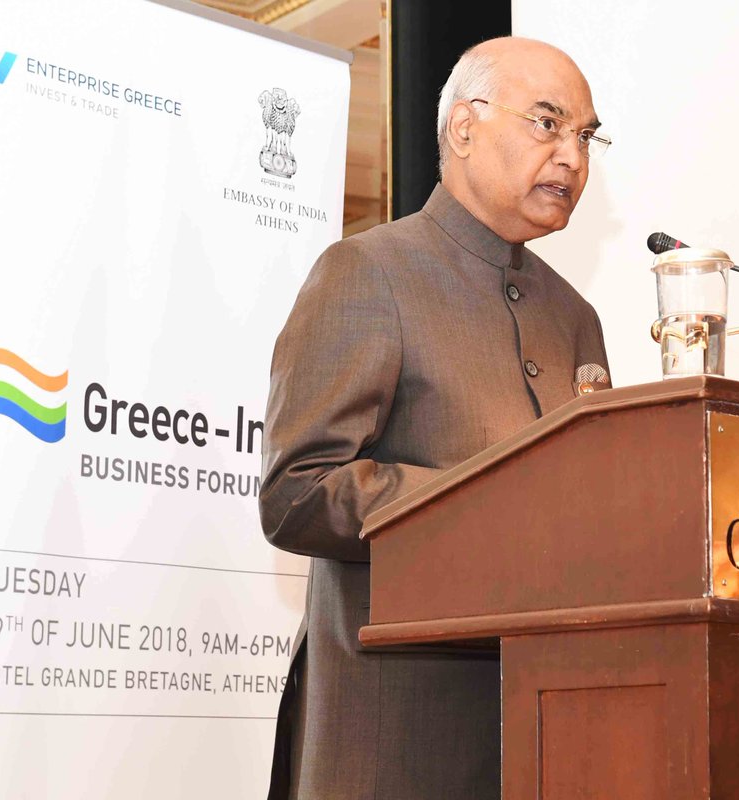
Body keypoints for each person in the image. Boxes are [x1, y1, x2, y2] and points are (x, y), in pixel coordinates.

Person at [259, 36, 611, 799]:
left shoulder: (574, 317)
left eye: (586, 136)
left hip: (547, 740)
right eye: (548, 124)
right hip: (394, 743)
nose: (574, 158)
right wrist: (479, 508)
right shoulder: (368, 272)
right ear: (463, 128)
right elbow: (298, 491)